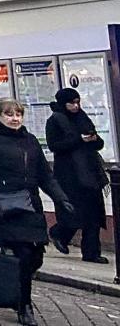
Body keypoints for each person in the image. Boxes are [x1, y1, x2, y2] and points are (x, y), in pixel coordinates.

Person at [0, 97, 76, 325]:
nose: (14, 119)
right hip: (5, 207)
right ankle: (24, 305)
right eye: (9, 115)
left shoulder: (29, 140)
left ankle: (17, 288)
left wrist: (61, 198)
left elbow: (44, 175)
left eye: (18, 114)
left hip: (30, 205)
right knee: (23, 255)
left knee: (36, 257)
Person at [45, 87, 109, 264]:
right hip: (69, 174)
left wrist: (94, 139)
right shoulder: (55, 121)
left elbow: (98, 143)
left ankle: (91, 252)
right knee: (74, 212)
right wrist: (79, 140)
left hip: (90, 171)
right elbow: (54, 146)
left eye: (77, 102)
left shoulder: (82, 117)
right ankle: (59, 233)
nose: (75, 106)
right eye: (71, 103)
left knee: (93, 213)